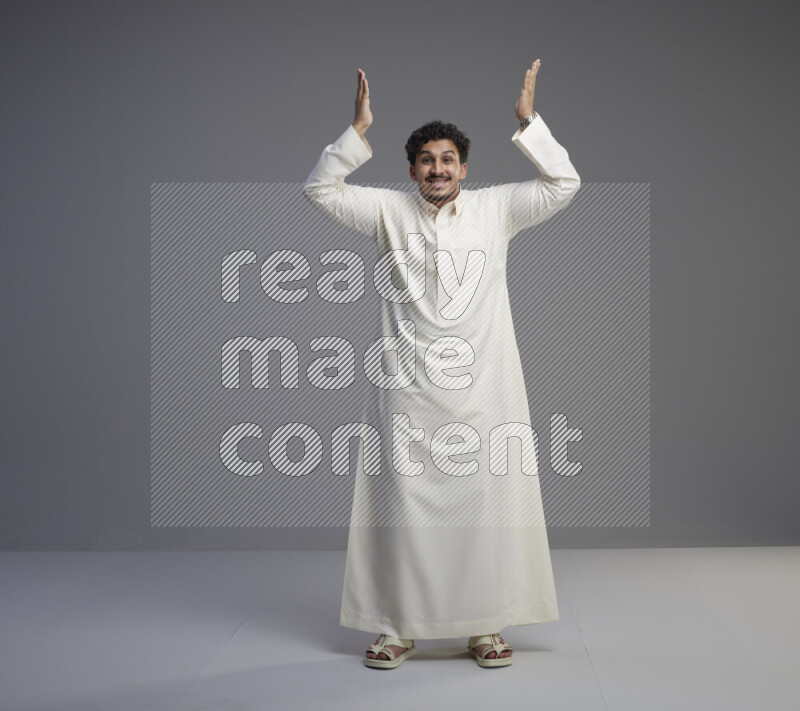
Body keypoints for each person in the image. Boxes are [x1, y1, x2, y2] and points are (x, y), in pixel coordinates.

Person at [303, 60, 580, 668]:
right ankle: (396, 628)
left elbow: (564, 185)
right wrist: (358, 131)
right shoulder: (386, 212)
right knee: (401, 512)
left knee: (484, 511)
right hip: (405, 396)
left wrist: (529, 123)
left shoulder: (496, 210)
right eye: (426, 160)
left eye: (447, 159)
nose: (437, 168)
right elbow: (320, 190)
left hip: (483, 395)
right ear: (411, 171)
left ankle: (484, 627)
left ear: (463, 168)